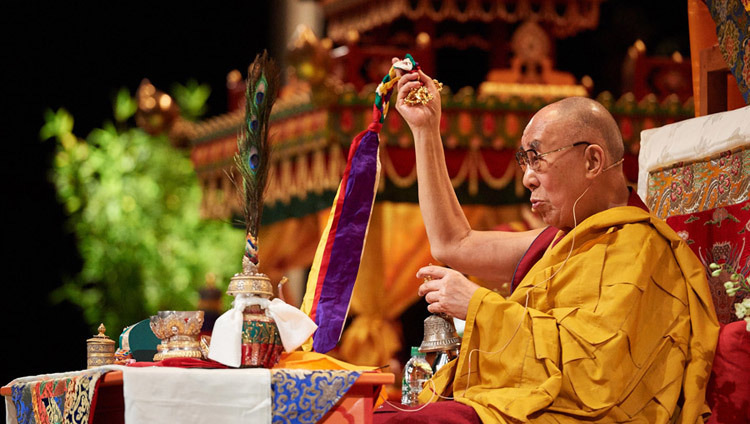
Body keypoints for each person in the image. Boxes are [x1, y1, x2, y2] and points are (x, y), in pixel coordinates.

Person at [374, 64, 720, 423]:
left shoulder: (640, 247)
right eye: (524, 161)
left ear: (592, 160)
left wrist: (478, 305)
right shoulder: (559, 242)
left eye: (537, 158)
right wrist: (425, 129)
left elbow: (597, 371)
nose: (526, 179)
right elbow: (452, 243)